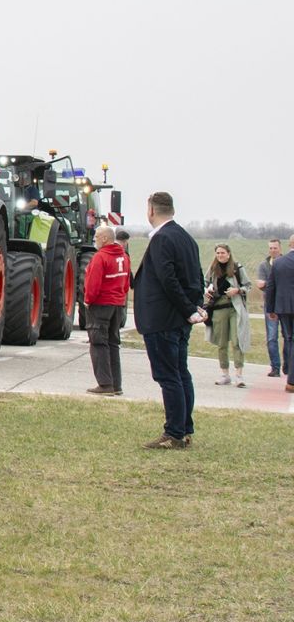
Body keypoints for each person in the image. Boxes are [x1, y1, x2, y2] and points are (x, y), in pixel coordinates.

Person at [130, 191, 206, 449]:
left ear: (151, 210)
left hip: (163, 319)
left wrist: (189, 309)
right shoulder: (186, 238)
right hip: (179, 319)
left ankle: (174, 432)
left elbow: (168, 279)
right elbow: (197, 276)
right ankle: (184, 428)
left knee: (169, 376)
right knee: (181, 373)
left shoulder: (162, 239)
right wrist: (196, 306)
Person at [82, 224, 130, 395]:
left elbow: (93, 283)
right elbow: (126, 282)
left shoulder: (100, 257)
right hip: (117, 304)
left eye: (96, 236)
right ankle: (116, 384)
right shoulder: (123, 257)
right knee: (113, 343)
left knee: (98, 343)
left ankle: (104, 384)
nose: (94, 239)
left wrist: (88, 300)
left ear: (105, 238)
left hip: (101, 305)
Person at [202, 244, 251, 388]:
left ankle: (239, 375)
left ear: (229, 254)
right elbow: (204, 283)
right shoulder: (212, 269)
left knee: (237, 341)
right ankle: (225, 374)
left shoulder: (237, 268)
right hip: (218, 309)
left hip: (234, 309)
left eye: (223, 253)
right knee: (221, 343)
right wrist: (206, 290)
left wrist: (237, 290)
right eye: (218, 253)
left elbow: (248, 285)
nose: (220, 255)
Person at [265, 235, 294, 394]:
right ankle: (291, 379)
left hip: (283, 307)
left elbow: (271, 287)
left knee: (289, 338)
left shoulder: (279, 262)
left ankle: (289, 369)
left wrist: (271, 309)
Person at [256, 238, 283, 378]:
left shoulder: (286, 263)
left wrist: (269, 284)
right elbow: (260, 284)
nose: (273, 250)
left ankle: (289, 366)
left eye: (275, 248)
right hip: (270, 304)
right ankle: (275, 367)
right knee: (272, 337)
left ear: (280, 248)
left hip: (285, 305)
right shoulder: (264, 265)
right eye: (271, 248)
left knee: (288, 336)